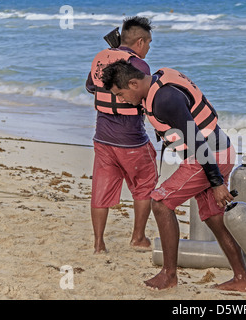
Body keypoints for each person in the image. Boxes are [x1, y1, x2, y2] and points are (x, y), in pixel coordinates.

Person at [101, 60, 246, 292]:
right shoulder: (157, 81)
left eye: (121, 94)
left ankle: (169, 275)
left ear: (133, 83)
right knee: (213, 218)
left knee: (161, 203)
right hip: (215, 153)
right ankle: (242, 279)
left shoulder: (165, 100)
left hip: (209, 157)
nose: (121, 99)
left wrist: (217, 183)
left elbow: (196, 140)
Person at [85, 16, 157, 254]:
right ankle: (138, 238)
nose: (148, 49)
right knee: (144, 185)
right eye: (148, 43)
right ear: (139, 41)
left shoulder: (100, 58)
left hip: (102, 138)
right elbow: (147, 96)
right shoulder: (140, 65)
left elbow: (90, 86)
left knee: (100, 190)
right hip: (132, 139)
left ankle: (98, 244)